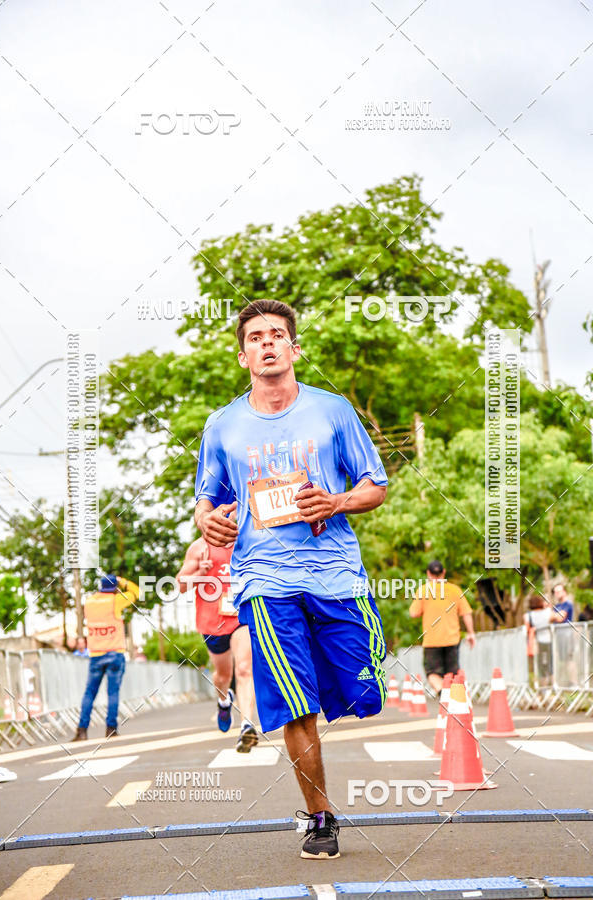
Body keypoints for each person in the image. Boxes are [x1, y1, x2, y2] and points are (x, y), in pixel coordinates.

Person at [194, 299, 388, 860]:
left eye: (277, 334)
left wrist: (338, 500)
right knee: (297, 705)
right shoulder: (223, 426)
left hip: (336, 575)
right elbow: (206, 502)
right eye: (256, 337)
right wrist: (209, 521)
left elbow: (375, 485)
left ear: (294, 348)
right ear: (243, 355)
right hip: (264, 580)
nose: (268, 343)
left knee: (358, 692)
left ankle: (341, 693)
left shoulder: (332, 412)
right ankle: (320, 817)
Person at [176, 538, 258, 752]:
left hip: (241, 616)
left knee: (244, 669)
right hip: (212, 622)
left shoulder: (249, 540)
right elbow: (180, 585)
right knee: (223, 676)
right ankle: (224, 700)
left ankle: (247, 726)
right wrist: (200, 574)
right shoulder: (200, 547)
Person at [73, 574, 139, 740]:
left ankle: (82, 730)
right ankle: (110, 729)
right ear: (115, 588)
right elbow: (137, 591)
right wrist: (122, 580)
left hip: (95, 654)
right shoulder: (116, 600)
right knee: (113, 692)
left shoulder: (89, 602)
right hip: (114, 653)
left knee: (89, 693)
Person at [409, 560, 475, 697]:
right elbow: (466, 613)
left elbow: (413, 613)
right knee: (453, 673)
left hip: (432, 640)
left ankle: (443, 693)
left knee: (432, 673)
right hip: (452, 639)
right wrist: (471, 633)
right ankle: (457, 698)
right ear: (443, 572)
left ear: (428, 574)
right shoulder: (455, 590)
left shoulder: (423, 590)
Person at [523, 595, 566, 686]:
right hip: (549, 641)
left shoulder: (528, 616)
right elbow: (560, 617)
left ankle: (543, 687)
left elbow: (527, 629)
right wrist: (551, 608)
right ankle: (552, 684)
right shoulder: (547, 612)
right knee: (551, 664)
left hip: (537, 643)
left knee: (542, 666)